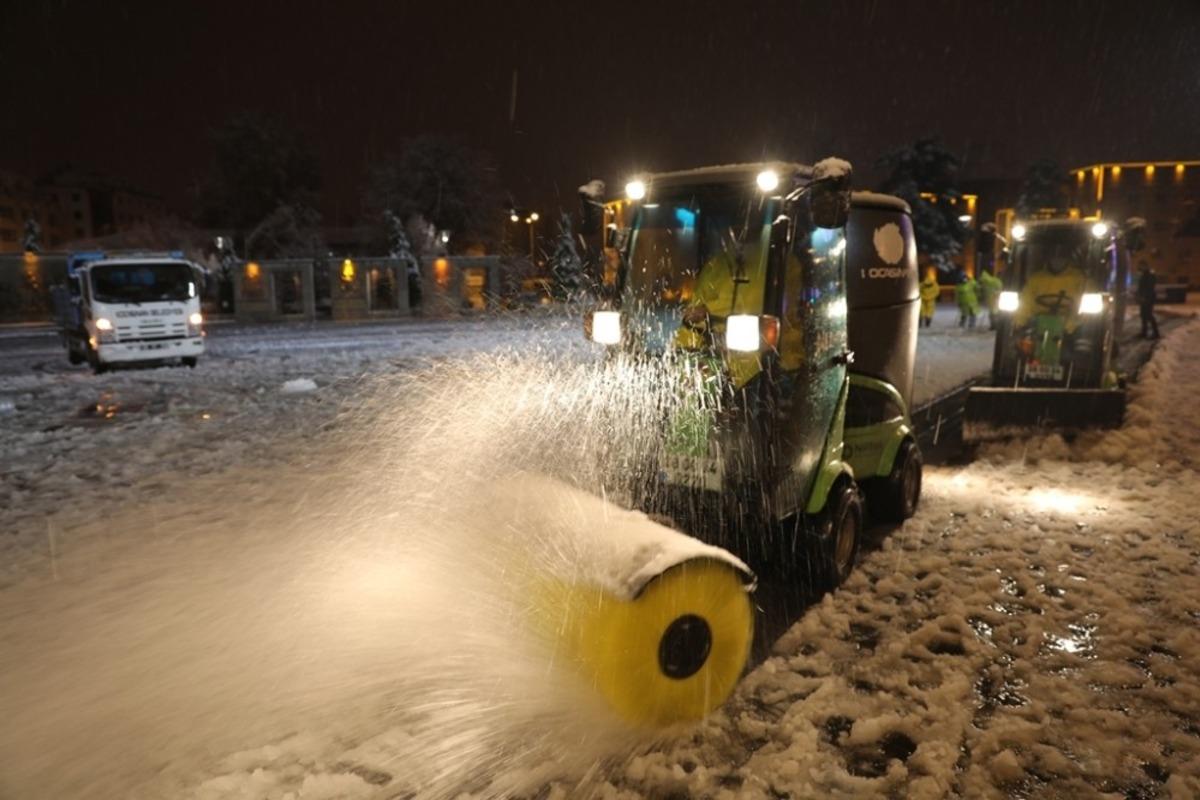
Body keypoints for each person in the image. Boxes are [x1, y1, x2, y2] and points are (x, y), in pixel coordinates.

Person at [1136, 262, 1160, 339]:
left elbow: (1149, 288)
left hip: (1148, 298)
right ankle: (1144, 332)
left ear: (1145, 266)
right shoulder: (1143, 275)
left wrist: (1144, 297)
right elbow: (1141, 287)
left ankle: (1156, 333)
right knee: (1143, 315)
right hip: (1144, 298)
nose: (1140, 268)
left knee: (1149, 315)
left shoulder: (1149, 275)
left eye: (1142, 266)